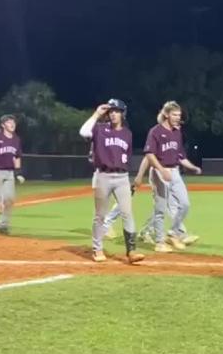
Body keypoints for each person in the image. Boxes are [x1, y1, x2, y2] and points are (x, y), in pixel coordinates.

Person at [79, 99, 144, 264]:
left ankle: (132, 251)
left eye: (117, 111)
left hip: (122, 177)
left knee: (127, 213)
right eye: (111, 111)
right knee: (100, 215)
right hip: (103, 176)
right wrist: (96, 114)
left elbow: (126, 156)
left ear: (122, 113)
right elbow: (83, 132)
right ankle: (97, 249)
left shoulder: (127, 134)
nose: (113, 114)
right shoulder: (100, 129)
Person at [142, 101, 203, 252]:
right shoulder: (155, 131)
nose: (177, 117)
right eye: (174, 114)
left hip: (174, 172)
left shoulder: (177, 133)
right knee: (161, 208)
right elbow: (149, 154)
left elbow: (181, 157)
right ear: (166, 115)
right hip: (159, 172)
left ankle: (173, 233)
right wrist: (161, 170)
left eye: (179, 115)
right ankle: (159, 242)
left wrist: (193, 167)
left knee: (185, 204)